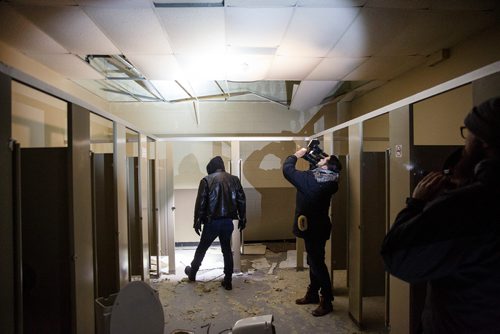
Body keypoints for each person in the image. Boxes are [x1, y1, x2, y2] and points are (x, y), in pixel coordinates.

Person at [381, 97, 500, 333]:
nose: (465, 142)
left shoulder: (469, 205)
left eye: (468, 133)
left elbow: (397, 257)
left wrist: (416, 204)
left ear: (484, 141)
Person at [282, 147, 341, 317]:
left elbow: (288, 170)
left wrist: (296, 155)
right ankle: (313, 293)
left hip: (312, 229)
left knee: (317, 264)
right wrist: (313, 156)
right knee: (315, 260)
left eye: (323, 160)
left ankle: (326, 300)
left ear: (325, 167)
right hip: (320, 227)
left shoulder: (311, 181)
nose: (320, 160)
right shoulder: (330, 179)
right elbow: (316, 169)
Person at [185, 156, 246, 291]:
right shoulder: (234, 179)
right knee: (226, 251)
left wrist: (197, 221)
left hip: (212, 222)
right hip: (228, 222)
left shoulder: (207, 180)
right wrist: (243, 218)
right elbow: (241, 200)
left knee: (202, 248)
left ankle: (192, 273)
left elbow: (201, 202)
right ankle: (228, 280)